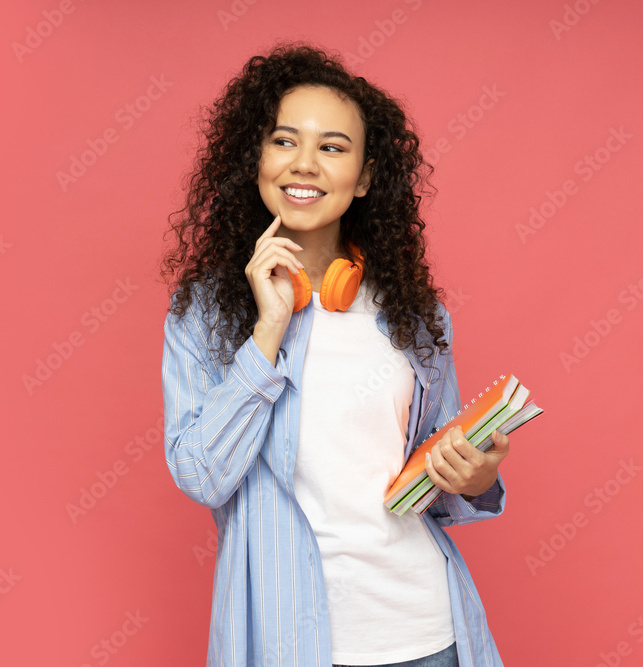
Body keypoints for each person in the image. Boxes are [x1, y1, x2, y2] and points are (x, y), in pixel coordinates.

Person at [159, 43, 510, 667]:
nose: (306, 164)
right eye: (285, 141)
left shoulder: (414, 314)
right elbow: (202, 475)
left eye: (333, 147)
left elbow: (432, 469)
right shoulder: (207, 314)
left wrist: (476, 476)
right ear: (256, 158)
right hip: (287, 635)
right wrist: (267, 332)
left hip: (426, 630)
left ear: (366, 176)